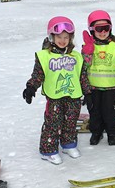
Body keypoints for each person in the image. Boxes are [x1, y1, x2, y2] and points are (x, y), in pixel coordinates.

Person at [23, 17, 90, 165]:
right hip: (55, 97)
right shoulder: (45, 56)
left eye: (66, 37)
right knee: (53, 123)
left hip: (73, 96)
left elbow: (82, 76)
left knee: (71, 121)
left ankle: (68, 144)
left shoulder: (76, 56)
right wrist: (31, 87)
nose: (63, 40)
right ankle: (48, 151)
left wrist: (88, 93)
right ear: (51, 37)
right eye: (59, 37)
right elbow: (38, 75)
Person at [81, 10, 115, 146]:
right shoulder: (88, 46)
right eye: (99, 29)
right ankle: (96, 132)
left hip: (111, 86)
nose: (103, 32)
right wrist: (87, 52)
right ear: (92, 29)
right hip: (93, 87)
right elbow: (83, 67)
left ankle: (112, 132)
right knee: (94, 111)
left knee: (109, 111)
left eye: (106, 28)